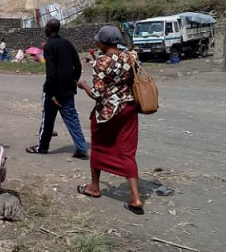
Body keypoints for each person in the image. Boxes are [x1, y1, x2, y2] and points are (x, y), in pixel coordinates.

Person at [76, 26, 143, 215]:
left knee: (98, 146)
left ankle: (94, 187)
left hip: (107, 112)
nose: (97, 42)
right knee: (128, 152)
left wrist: (84, 86)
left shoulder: (101, 63)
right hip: (129, 108)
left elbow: (97, 94)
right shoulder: (131, 56)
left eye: (98, 40)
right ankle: (136, 198)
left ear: (104, 43)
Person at [27, 20, 89, 159]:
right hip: (68, 90)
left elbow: (51, 72)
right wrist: (73, 80)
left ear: (49, 29)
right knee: (72, 119)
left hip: (53, 91)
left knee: (47, 120)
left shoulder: (49, 46)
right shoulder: (67, 43)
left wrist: (51, 93)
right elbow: (77, 64)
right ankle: (81, 147)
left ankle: (42, 147)